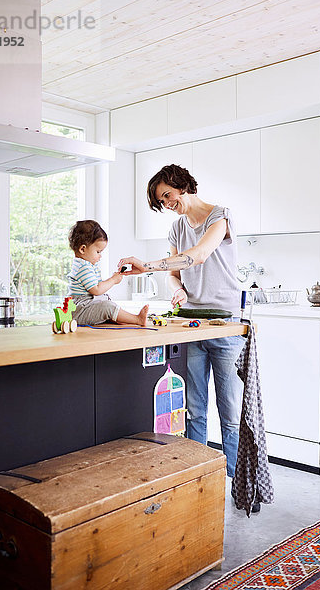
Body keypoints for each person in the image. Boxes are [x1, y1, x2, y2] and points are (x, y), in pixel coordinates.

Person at [118, 164, 245, 477]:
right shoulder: (176, 228)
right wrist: (179, 291)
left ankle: (239, 484)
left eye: (167, 195)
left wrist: (146, 266)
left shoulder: (220, 216)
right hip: (191, 322)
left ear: (181, 184)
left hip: (224, 322)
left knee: (229, 411)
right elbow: (176, 275)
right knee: (195, 409)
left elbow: (199, 255)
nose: (166, 203)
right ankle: (198, 481)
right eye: (161, 201)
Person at [67, 220, 149, 327]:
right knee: (108, 307)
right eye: (98, 252)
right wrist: (113, 280)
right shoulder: (83, 267)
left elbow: (98, 289)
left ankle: (122, 319)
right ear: (83, 249)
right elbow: (96, 290)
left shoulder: (87, 265)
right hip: (80, 311)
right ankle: (137, 319)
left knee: (107, 303)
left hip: (86, 306)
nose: (100, 256)